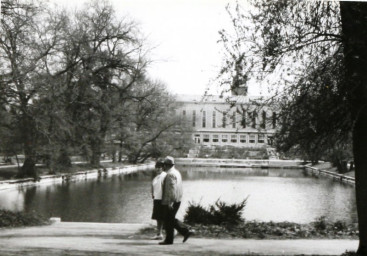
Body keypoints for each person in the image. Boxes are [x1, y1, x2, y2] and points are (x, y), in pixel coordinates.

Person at [159, 156, 194, 245]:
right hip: (177, 199)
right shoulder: (177, 172)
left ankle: (170, 239)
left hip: (171, 200)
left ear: (166, 165)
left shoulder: (170, 174)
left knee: (167, 220)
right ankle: (185, 231)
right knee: (169, 219)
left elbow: (171, 188)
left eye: (164, 165)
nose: (163, 167)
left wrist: (170, 201)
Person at [151, 158, 167, 240]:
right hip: (156, 199)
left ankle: (182, 229)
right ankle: (159, 234)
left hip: (162, 199)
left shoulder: (164, 176)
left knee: (164, 217)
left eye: (159, 167)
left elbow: (167, 188)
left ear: (163, 167)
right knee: (158, 218)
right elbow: (153, 187)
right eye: (156, 167)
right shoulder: (156, 177)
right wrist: (152, 195)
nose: (157, 169)